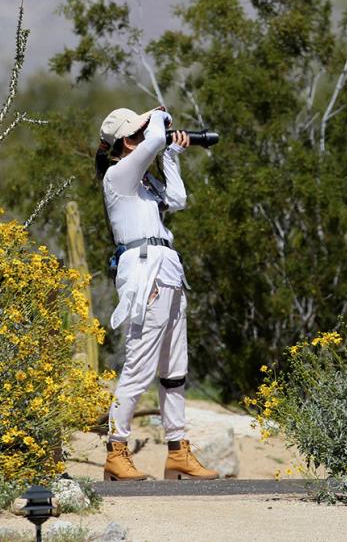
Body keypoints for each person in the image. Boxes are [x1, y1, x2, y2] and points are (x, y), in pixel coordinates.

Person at [95, 106, 218, 481]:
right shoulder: (118, 176)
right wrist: (159, 120)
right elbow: (157, 137)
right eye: (135, 134)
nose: (141, 138)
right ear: (123, 145)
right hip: (145, 271)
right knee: (140, 363)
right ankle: (116, 450)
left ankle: (178, 451)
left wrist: (171, 157)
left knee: (174, 368)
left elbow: (178, 200)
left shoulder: (145, 182)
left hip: (167, 270)